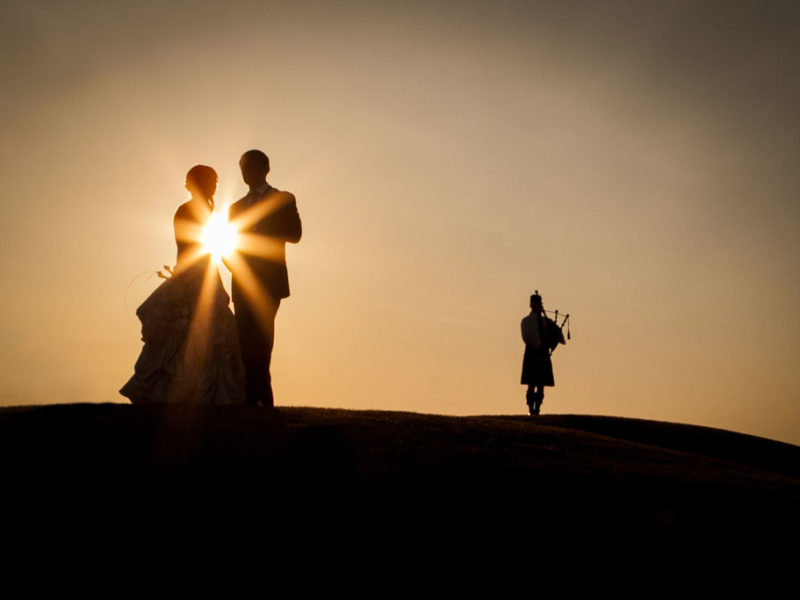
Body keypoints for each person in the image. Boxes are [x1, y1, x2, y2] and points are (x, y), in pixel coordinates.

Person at [120, 165, 246, 405]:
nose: (215, 188)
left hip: (201, 273)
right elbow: (192, 250)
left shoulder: (204, 212)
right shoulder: (188, 212)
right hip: (194, 276)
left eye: (216, 183)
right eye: (212, 183)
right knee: (191, 331)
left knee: (210, 333)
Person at [227, 149, 302, 407]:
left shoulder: (282, 199)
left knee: (262, 339)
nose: (249, 174)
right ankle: (256, 399)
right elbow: (227, 245)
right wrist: (236, 268)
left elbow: (295, 234)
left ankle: (259, 398)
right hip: (242, 281)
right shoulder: (234, 208)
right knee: (244, 340)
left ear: (266, 169)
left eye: (254, 168)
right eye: (245, 169)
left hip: (270, 281)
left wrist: (263, 227)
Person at [520, 291, 565, 415]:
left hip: (544, 355)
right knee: (531, 384)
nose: (539, 306)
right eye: (536, 303)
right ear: (531, 305)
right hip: (532, 355)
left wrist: (555, 334)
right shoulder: (526, 321)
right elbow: (527, 337)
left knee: (541, 385)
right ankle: (531, 409)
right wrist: (538, 346)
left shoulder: (546, 322)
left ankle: (537, 409)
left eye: (540, 303)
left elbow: (558, 337)